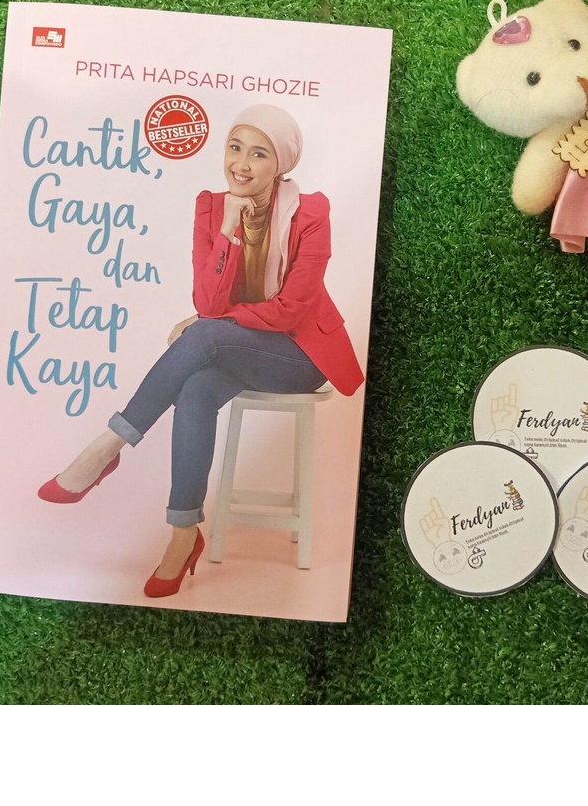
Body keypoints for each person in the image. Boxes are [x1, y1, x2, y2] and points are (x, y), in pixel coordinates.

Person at [37, 104, 364, 597]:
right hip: (238, 348)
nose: (242, 164)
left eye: (259, 154)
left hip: (298, 357)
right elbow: (208, 303)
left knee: (205, 335)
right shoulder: (211, 208)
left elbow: (289, 312)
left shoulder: (312, 213)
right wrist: (229, 231)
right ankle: (183, 536)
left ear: (281, 164)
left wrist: (212, 324)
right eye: (235, 148)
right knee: (195, 389)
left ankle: (106, 447)